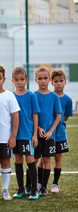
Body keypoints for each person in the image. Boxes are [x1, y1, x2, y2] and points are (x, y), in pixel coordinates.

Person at [0, 65, 20, 201]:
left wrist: (13, 136)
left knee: (5, 163)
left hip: (5, 137)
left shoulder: (10, 96)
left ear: (4, 79)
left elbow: (15, 117)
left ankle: (5, 190)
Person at [11, 67, 40, 200]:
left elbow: (35, 116)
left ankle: (34, 190)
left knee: (30, 161)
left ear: (26, 80)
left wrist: (34, 134)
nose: (19, 82)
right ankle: (21, 189)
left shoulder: (31, 96)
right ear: (13, 81)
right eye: (16, 80)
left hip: (27, 134)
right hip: (15, 135)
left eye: (22, 79)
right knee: (18, 160)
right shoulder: (11, 96)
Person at [34, 66, 62, 197]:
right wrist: (38, 129)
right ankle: (33, 185)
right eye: (40, 78)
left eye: (45, 78)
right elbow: (31, 115)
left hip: (49, 136)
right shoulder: (33, 95)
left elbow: (58, 116)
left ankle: (44, 186)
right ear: (36, 80)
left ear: (49, 79)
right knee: (33, 160)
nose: (43, 81)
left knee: (46, 160)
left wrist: (51, 131)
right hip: (35, 135)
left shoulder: (54, 96)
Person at [50, 69, 72, 193]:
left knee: (58, 157)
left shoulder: (68, 100)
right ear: (52, 82)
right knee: (44, 158)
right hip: (48, 133)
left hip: (60, 134)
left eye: (61, 81)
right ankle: (41, 183)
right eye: (56, 81)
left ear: (65, 82)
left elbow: (66, 117)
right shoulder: (49, 96)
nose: (59, 84)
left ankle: (55, 184)